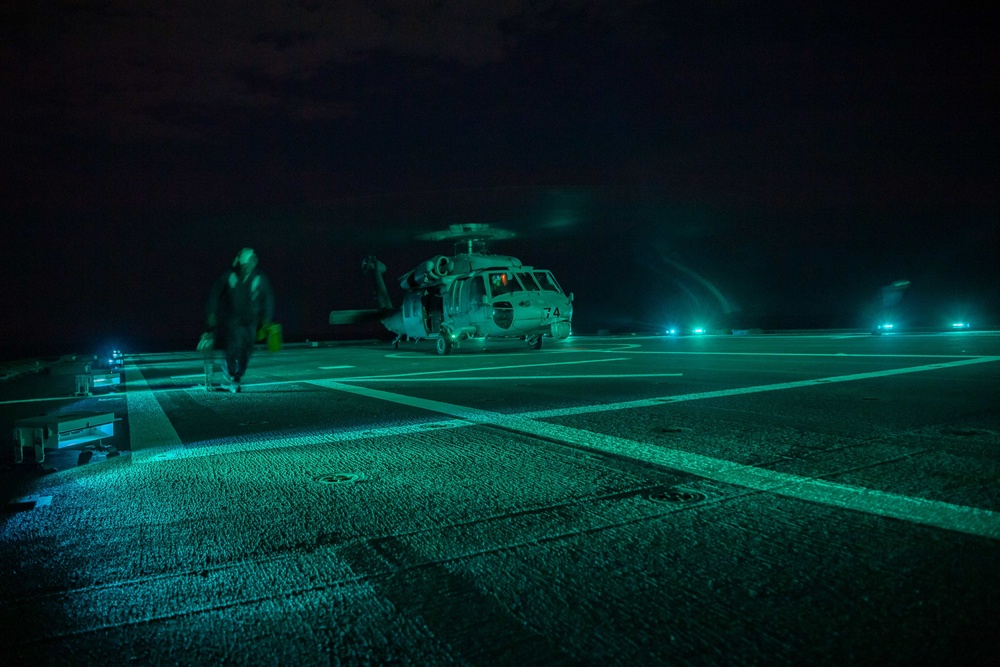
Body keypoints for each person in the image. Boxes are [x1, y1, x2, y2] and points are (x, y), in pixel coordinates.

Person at [205, 248, 275, 392]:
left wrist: (266, 318)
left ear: (253, 262)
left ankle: (238, 373)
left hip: (251, 322)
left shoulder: (259, 278)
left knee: (247, 349)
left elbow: (267, 298)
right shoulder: (230, 276)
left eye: (248, 264)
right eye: (243, 265)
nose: (245, 267)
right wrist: (211, 313)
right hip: (233, 320)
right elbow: (214, 294)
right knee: (233, 347)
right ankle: (233, 377)